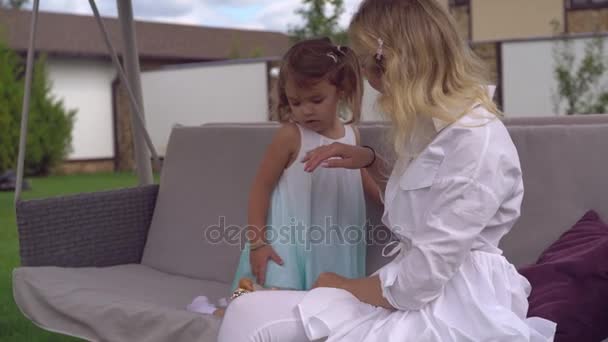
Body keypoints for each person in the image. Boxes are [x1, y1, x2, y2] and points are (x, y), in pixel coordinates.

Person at [217, 0, 557, 341]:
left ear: (395, 63)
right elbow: (414, 211)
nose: (366, 77)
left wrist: (343, 286)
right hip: (414, 290)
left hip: (453, 306)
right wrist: (369, 161)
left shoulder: (474, 143)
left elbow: (419, 280)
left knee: (251, 318)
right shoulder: (432, 128)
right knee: (245, 309)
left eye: (367, 63)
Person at [230, 38, 380, 293]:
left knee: (329, 306)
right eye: (295, 103)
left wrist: (401, 204)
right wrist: (257, 243)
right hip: (289, 243)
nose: (306, 111)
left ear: (341, 91)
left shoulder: (352, 136)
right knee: (266, 305)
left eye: (316, 99)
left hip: (337, 243)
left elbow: (365, 182)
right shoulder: (291, 135)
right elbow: (261, 188)